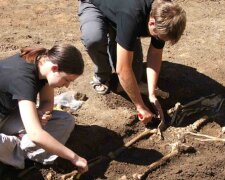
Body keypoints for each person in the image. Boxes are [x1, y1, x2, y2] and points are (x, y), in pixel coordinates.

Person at [78, 0, 186, 124]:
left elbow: (155, 53)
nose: (159, 40)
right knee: (94, 39)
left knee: (134, 76)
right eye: (158, 37)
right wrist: (140, 106)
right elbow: (123, 70)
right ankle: (101, 75)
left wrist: (151, 94)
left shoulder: (165, 12)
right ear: (152, 22)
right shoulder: (132, 16)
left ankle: (120, 35)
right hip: (95, 4)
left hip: (123, 12)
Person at [0, 44, 88, 173]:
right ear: (54, 68)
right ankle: (15, 150)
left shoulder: (41, 64)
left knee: (65, 120)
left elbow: (47, 101)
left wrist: (40, 113)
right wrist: (74, 158)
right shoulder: (23, 79)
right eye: (66, 80)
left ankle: (15, 150)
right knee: (36, 135)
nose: (67, 86)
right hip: (6, 116)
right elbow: (35, 135)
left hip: (8, 114)